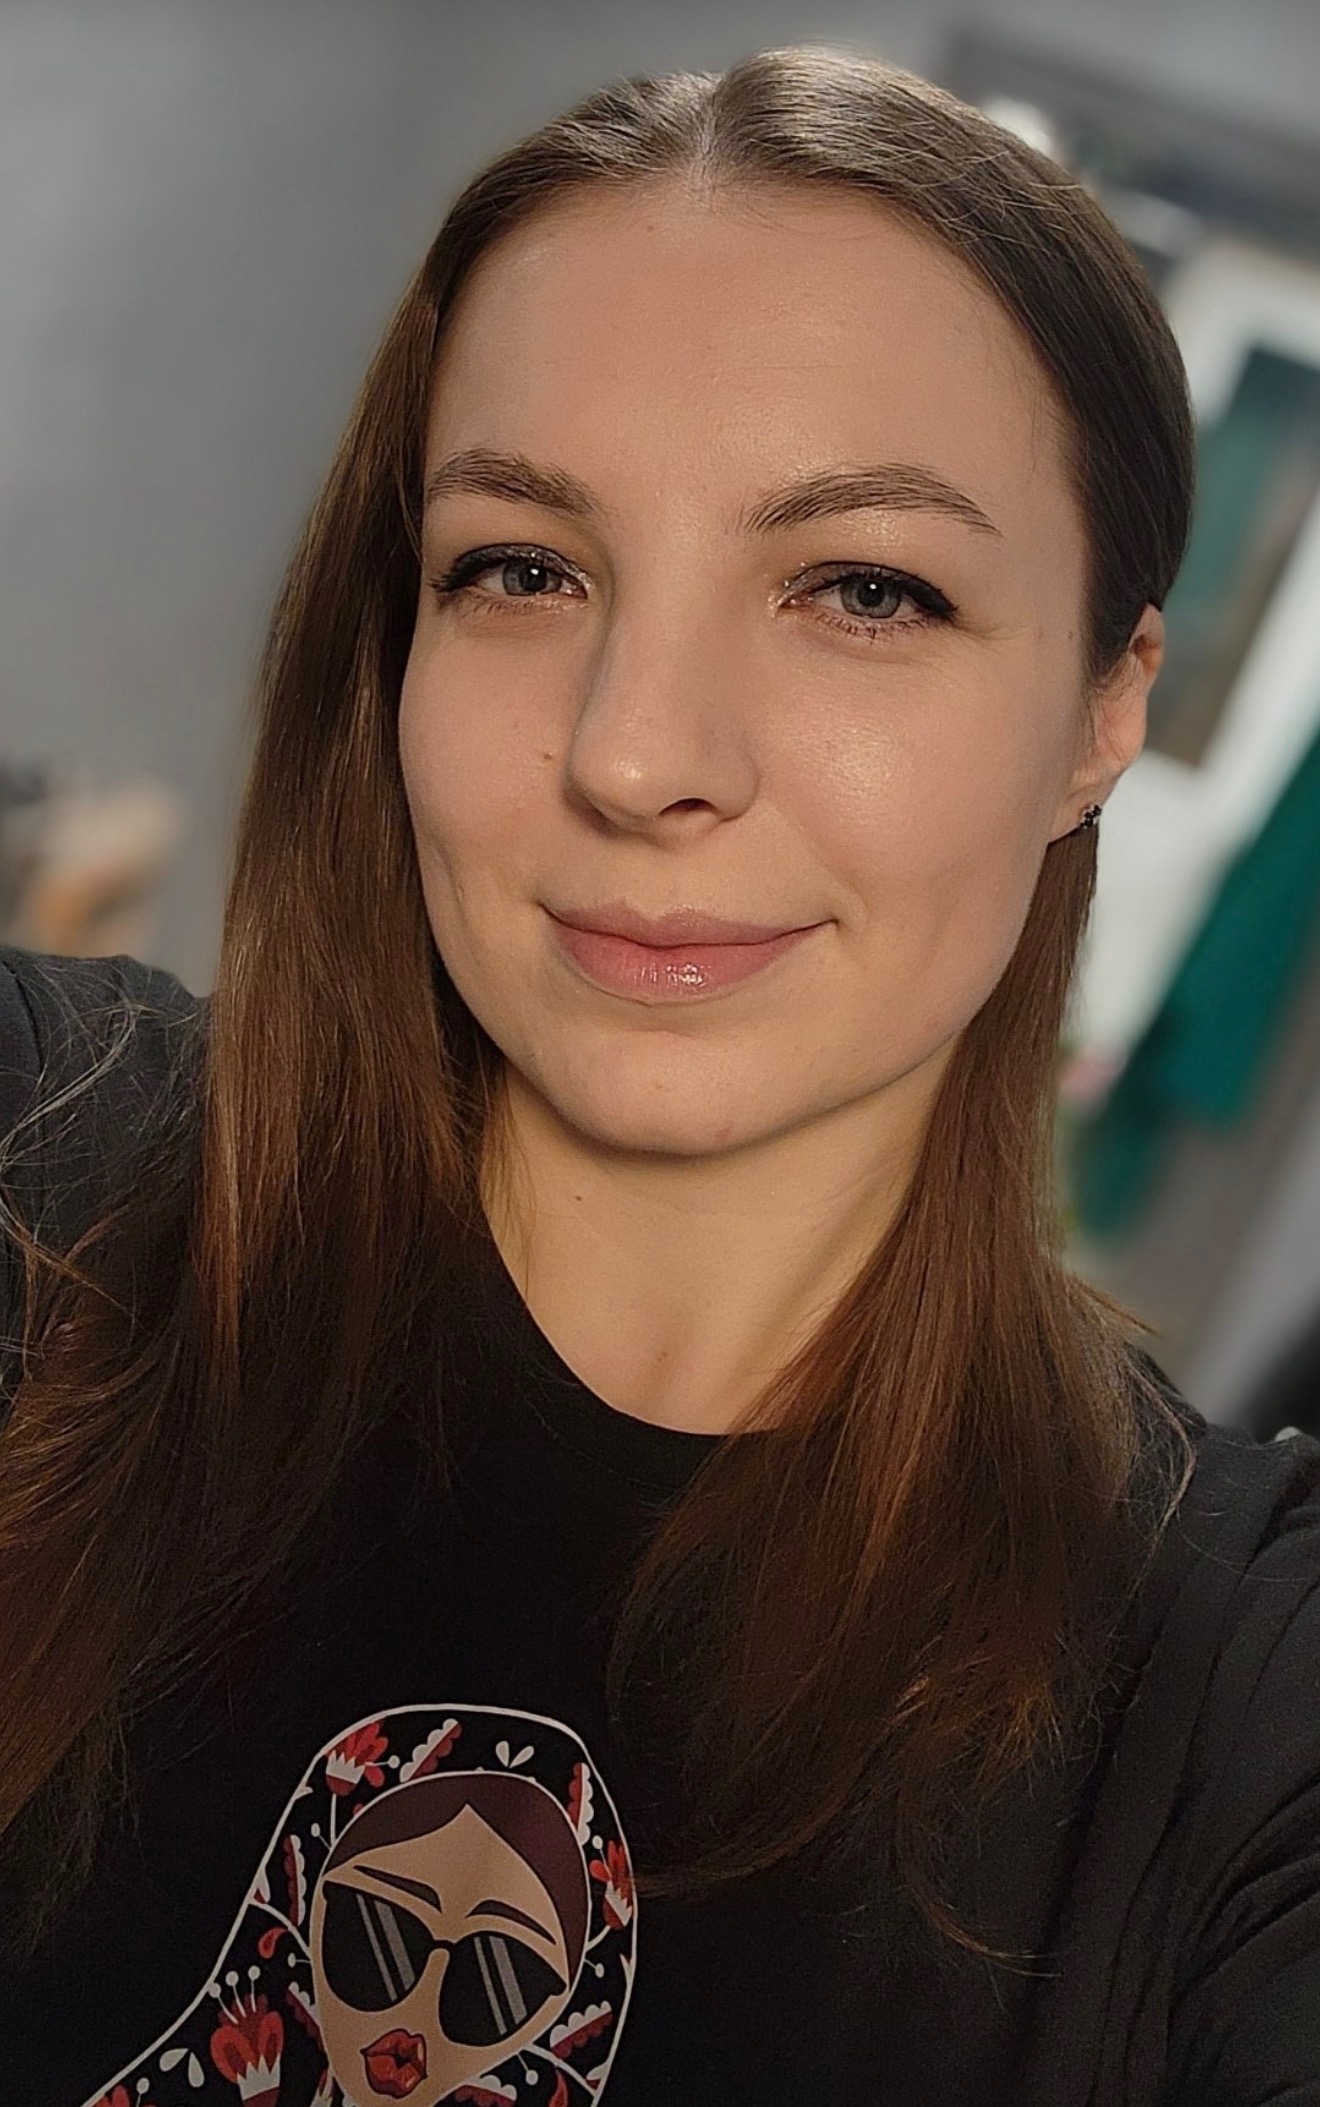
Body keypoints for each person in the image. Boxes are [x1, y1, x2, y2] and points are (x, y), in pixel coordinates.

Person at [1, 44, 1318, 2107]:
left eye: (863, 589)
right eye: (522, 568)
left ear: (1101, 707)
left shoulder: (1236, 1706)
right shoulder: (40, 1170)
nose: (635, 752)